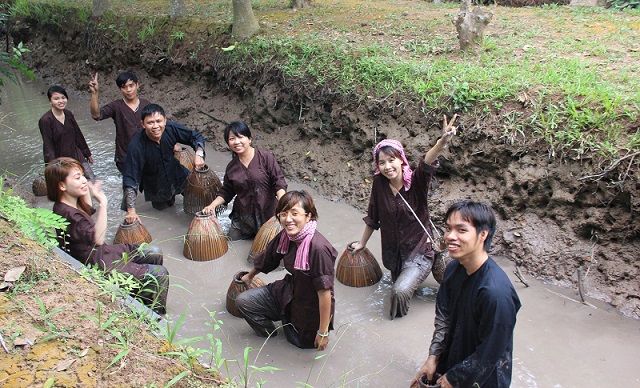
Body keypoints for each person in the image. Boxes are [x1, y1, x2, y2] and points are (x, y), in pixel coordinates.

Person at [351, 115, 458, 319]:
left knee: (399, 292)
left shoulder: (416, 181)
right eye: (381, 163)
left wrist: (442, 142)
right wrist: (362, 243)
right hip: (394, 255)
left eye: (392, 160)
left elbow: (427, 162)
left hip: (419, 251)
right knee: (402, 286)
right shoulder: (379, 184)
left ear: (401, 159)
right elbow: (373, 217)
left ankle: (394, 324)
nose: (387, 166)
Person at [411, 200, 521, 388]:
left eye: (461, 230)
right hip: (454, 360)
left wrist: (455, 378)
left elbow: (491, 351)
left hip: (484, 377)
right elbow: (443, 316)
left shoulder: (496, 294)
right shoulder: (454, 268)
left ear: (483, 235)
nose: (450, 237)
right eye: (448, 229)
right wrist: (433, 357)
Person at [45, 157, 169, 314]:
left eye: (83, 175)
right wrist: (103, 203)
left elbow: (87, 213)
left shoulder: (67, 204)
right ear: (62, 185)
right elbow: (98, 239)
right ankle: (155, 316)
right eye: (77, 178)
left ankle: (141, 297)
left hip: (102, 253)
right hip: (97, 263)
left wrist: (88, 191)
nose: (83, 180)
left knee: (154, 252)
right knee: (160, 274)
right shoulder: (67, 214)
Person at [235, 190, 337, 350]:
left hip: (309, 307)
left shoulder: (318, 249)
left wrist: (323, 332)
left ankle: (292, 326)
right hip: (288, 291)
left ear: (308, 216)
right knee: (244, 301)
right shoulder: (286, 237)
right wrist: (249, 276)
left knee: (302, 345)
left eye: (294, 213)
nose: (288, 219)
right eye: (283, 214)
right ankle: (270, 338)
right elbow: (268, 258)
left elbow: (325, 294)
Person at [202, 121, 287, 240]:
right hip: (243, 217)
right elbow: (227, 191)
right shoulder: (232, 167)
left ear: (249, 139)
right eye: (232, 139)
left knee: (270, 243)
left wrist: (283, 204)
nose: (236, 142)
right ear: (228, 143)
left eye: (240, 137)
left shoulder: (265, 157)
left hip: (268, 213)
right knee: (232, 241)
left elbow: (279, 181)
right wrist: (212, 206)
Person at [122, 103, 205, 223]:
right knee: (165, 213)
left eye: (158, 121)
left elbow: (195, 136)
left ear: (165, 121)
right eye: (150, 123)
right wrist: (131, 211)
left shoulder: (171, 128)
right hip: (156, 186)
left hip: (178, 175)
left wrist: (199, 153)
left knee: (196, 204)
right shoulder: (136, 146)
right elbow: (130, 178)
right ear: (143, 124)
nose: (155, 126)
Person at [89, 71, 152, 173]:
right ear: (120, 89)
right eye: (124, 87)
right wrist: (94, 94)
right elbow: (96, 115)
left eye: (131, 85)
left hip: (146, 154)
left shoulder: (146, 105)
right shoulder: (116, 106)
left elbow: (157, 126)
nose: (128, 90)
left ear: (137, 85)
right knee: (131, 186)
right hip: (124, 158)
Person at [39, 85, 95, 180]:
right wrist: (52, 167)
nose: (61, 101)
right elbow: (48, 145)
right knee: (69, 184)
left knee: (91, 179)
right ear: (50, 101)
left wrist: (87, 153)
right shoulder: (45, 120)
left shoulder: (68, 114)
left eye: (63, 98)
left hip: (77, 155)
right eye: (56, 99)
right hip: (61, 160)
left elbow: (78, 134)